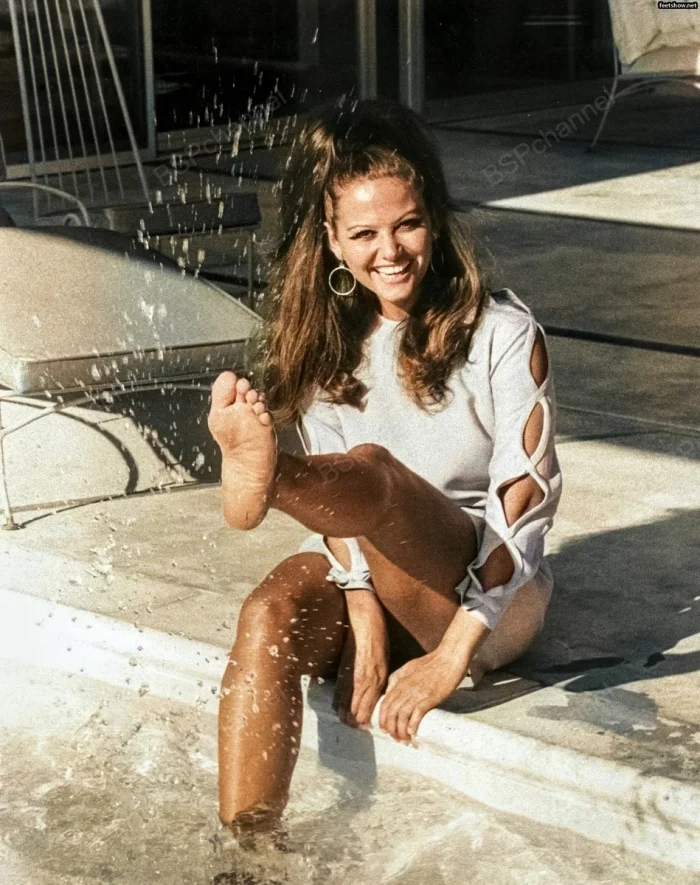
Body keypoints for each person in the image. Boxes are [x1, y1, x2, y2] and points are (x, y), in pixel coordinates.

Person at [208, 98, 562, 836]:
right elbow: (341, 529)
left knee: (373, 472)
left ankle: (272, 479)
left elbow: (525, 498)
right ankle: (249, 852)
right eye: (364, 234)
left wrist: (451, 656)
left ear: (434, 219)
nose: (390, 251)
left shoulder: (502, 331)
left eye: (407, 224)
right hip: (366, 575)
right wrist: (364, 619)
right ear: (333, 241)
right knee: (267, 616)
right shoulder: (330, 345)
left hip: (485, 595)